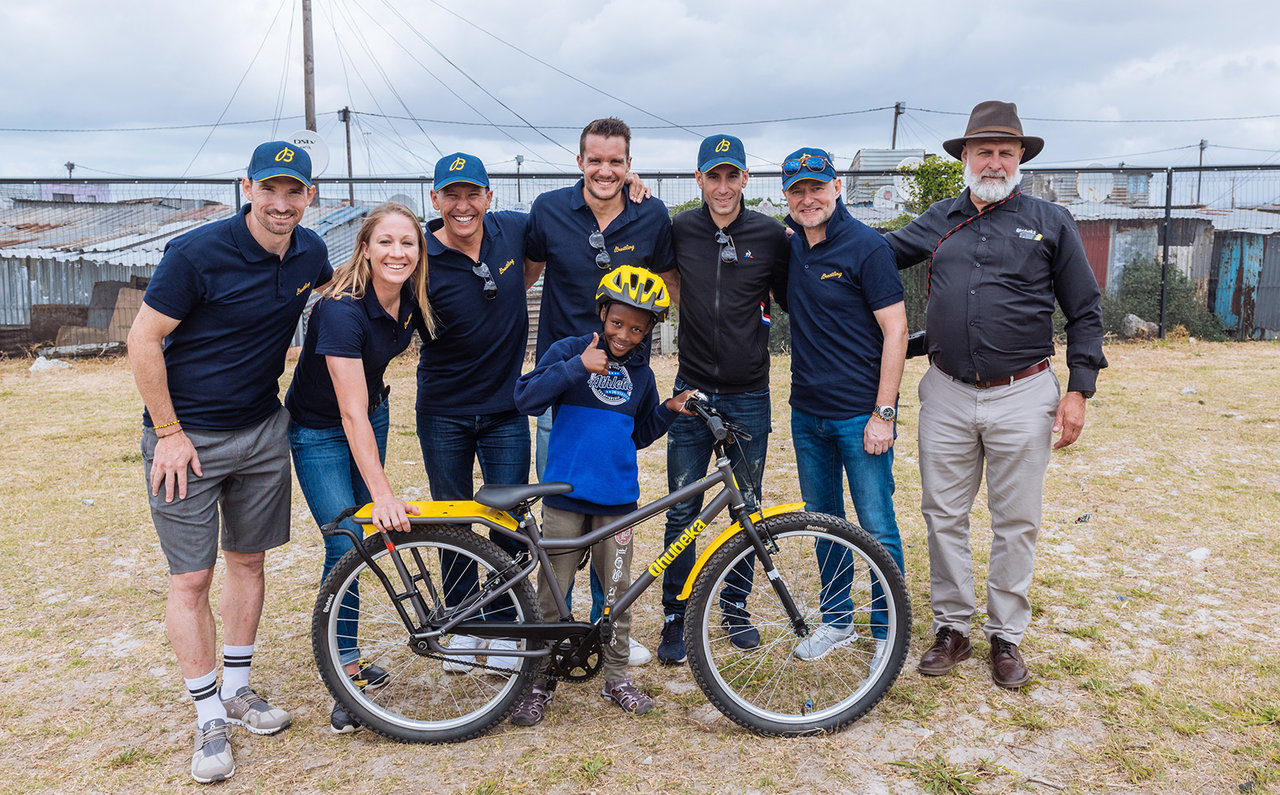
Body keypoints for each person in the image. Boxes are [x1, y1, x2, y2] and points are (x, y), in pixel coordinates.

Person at [126, 141, 331, 783]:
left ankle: (238, 691)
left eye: (293, 191)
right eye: (269, 190)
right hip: (187, 437)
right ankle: (207, 713)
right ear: (248, 188)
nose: (280, 203)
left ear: (308, 197)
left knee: (250, 559)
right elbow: (143, 338)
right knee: (192, 579)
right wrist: (169, 432)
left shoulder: (311, 252)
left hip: (263, 429)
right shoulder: (196, 253)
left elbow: (341, 291)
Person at [885, 101, 1107, 688]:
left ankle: (1005, 636)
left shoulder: (1051, 220)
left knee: (1016, 521)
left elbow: (1084, 310)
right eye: (983, 150)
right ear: (964, 156)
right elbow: (872, 255)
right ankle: (953, 628)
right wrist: (807, 231)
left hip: (1025, 393)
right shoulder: (938, 219)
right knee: (943, 515)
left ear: (1020, 159)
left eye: (1006, 152)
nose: (994, 161)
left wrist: (1079, 389)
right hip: (948, 393)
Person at [510, 266, 695, 726]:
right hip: (565, 500)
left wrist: (669, 410)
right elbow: (526, 398)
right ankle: (540, 678)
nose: (625, 335)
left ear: (650, 330)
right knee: (553, 596)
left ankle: (616, 678)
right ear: (602, 314)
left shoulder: (643, 374)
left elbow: (638, 433)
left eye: (637, 328)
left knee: (619, 594)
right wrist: (577, 368)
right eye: (617, 323)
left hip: (618, 504)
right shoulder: (571, 351)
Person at [524, 117, 674, 663]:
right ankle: (553, 635)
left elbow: (664, 283)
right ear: (579, 160)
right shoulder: (548, 210)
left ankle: (607, 632)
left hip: (621, 381)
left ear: (629, 164)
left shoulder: (651, 213)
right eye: (595, 160)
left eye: (616, 161)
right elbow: (527, 271)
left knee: (611, 519)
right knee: (562, 515)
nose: (605, 170)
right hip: (566, 382)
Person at [284, 202, 433, 732]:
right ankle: (343, 670)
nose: (398, 252)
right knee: (346, 540)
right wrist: (384, 494)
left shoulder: (410, 301)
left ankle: (345, 657)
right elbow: (346, 411)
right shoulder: (340, 309)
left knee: (361, 537)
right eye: (385, 242)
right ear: (365, 248)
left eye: (408, 243)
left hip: (375, 411)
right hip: (319, 429)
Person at [652, 134, 788, 665]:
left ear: (746, 180)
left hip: (751, 393)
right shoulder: (681, 228)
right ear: (699, 180)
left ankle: (734, 608)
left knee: (746, 509)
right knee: (682, 507)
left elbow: (784, 294)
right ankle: (674, 614)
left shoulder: (770, 234)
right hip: (693, 391)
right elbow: (671, 283)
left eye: (733, 176)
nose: (724, 186)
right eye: (714, 176)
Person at [779, 147, 908, 667]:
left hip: (861, 416)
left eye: (817, 186)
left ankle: (887, 631)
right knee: (825, 524)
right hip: (807, 413)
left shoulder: (868, 247)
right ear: (786, 197)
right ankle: (837, 622)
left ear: (836, 187)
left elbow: (895, 330)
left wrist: (884, 412)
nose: (808, 198)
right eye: (797, 190)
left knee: (877, 527)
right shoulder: (790, 246)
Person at [416, 153, 530, 674]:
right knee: (454, 518)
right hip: (444, 411)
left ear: (490, 197)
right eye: (451, 194)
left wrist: (632, 182)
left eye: (473, 193)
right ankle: (461, 625)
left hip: (507, 407)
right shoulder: (417, 253)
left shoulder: (513, 232)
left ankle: (504, 624)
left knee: (509, 522)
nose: (463, 205)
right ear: (435, 199)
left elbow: (577, 213)